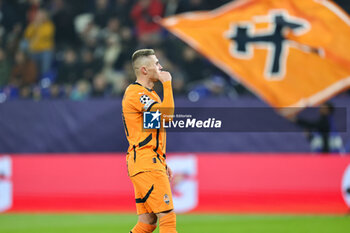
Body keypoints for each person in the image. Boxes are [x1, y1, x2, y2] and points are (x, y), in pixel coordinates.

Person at [122, 49, 177, 233]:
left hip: (148, 160)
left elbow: (153, 128)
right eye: (156, 63)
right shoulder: (135, 93)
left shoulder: (150, 96)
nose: (160, 67)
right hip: (145, 162)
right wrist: (167, 84)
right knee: (167, 219)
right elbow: (167, 116)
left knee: (147, 222)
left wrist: (160, 158)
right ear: (144, 70)